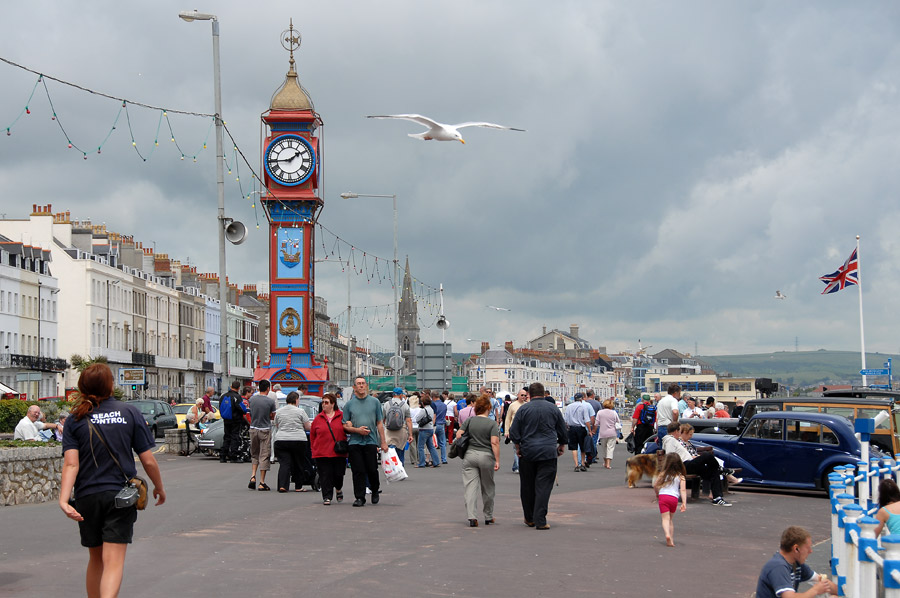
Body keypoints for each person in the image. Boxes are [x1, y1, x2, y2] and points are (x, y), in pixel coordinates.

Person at [58, 363, 165, 598]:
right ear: (110, 385)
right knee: (113, 561)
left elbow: (71, 464)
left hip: (87, 496)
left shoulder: (75, 419)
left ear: (82, 387)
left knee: (96, 559)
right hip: (119, 496)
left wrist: (64, 500)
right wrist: (159, 487)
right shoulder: (129, 412)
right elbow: (147, 460)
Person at [508, 382, 568, 530]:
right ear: (543, 393)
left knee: (527, 485)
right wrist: (561, 445)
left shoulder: (523, 409)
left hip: (528, 451)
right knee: (544, 486)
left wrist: (518, 448)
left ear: (529, 394)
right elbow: (562, 429)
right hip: (548, 451)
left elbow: (514, 432)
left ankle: (529, 518)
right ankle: (540, 519)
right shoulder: (553, 409)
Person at [342, 376, 388, 507]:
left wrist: (383, 442)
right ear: (354, 387)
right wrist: (356, 430)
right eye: (358, 384)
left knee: (372, 469)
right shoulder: (349, 405)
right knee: (357, 470)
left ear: (366, 386)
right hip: (355, 442)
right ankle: (360, 497)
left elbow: (379, 423)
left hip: (370, 441)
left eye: (363, 383)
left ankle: (374, 490)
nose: (361, 386)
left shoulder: (375, 402)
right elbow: (345, 425)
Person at [661, 422, 731, 506]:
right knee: (706, 455)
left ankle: (717, 498)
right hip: (684, 465)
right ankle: (721, 469)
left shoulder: (674, 440)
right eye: (679, 430)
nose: (680, 433)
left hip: (689, 464)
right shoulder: (670, 440)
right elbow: (670, 455)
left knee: (713, 471)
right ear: (676, 431)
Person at [756, 526, 837, 598]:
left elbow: (820, 580)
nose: (810, 551)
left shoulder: (796, 563)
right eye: (808, 548)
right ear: (796, 549)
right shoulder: (778, 567)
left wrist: (843, 592)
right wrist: (815, 590)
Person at [457, 395, 501, 527]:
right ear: (488, 408)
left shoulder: (470, 421)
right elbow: (494, 442)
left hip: (470, 455)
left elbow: (459, 434)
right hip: (486, 456)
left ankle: (472, 517)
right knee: (488, 487)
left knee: (470, 487)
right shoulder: (492, 423)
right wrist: (497, 460)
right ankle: (488, 516)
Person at [310, 393, 347, 505]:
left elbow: (348, 428)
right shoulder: (318, 418)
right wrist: (314, 449)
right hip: (322, 452)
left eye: (326, 402)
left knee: (338, 475)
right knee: (325, 475)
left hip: (338, 452)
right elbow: (312, 435)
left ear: (333, 404)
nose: (324, 405)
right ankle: (327, 496)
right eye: (323, 402)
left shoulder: (341, 416)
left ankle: (338, 489)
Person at [273, 391, 312, 493]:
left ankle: (282, 485)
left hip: (281, 440)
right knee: (298, 463)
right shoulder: (300, 411)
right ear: (296, 400)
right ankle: (298, 486)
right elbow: (307, 426)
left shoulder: (279, 412)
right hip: (298, 440)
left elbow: (277, 425)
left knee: (284, 463)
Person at [248, 379, 276, 491]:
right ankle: (262, 482)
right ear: (268, 388)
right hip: (265, 429)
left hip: (253, 428)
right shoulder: (270, 402)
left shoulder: (252, 399)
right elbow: (273, 416)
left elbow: (249, 413)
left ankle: (253, 475)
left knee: (254, 453)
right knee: (264, 454)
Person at [653, 453, 687, 547]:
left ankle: (667, 534)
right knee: (670, 519)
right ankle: (671, 539)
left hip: (663, 497)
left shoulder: (663, 474)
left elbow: (655, 485)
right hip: (674, 498)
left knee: (665, 519)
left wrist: (657, 494)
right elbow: (683, 490)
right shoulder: (681, 476)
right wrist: (684, 502)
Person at [382, 388, 413, 466]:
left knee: (390, 452)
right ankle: (400, 471)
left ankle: (391, 470)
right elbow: (409, 421)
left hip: (389, 431)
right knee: (400, 452)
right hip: (401, 430)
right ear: (401, 395)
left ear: (393, 394)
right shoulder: (405, 405)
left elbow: (382, 418)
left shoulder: (386, 404)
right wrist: (410, 434)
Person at [220, 380, 248, 463]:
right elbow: (242, 408)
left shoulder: (223, 396)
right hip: (235, 420)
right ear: (239, 388)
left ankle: (223, 456)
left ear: (231, 386)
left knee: (226, 437)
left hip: (226, 419)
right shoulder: (237, 397)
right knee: (234, 437)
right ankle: (233, 456)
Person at [563, 393, 592, 471]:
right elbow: (587, 420)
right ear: (581, 399)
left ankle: (576, 465)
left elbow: (565, 419)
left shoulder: (569, 407)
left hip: (571, 428)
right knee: (583, 447)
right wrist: (589, 430)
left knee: (574, 447)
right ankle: (582, 464)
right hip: (581, 428)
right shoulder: (583, 406)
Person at [504, 388, 529, 473]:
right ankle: (518, 466)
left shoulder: (527, 405)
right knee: (516, 448)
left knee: (523, 448)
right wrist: (506, 431)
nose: (523, 397)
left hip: (525, 430)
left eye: (525, 395)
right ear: (518, 395)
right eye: (522, 395)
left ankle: (516, 465)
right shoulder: (513, 405)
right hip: (514, 429)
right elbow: (508, 418)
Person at [416, 395, 440, 468]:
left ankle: (422, 463)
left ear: (423, 403)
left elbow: (417, 419)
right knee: (431, 446)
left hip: (424, 429)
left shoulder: (423, 410)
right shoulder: (431, 409)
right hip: (430, 429)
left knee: (420, 447)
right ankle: (436, 462)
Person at [595, 399, 619, 469]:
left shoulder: (600, 412)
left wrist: (594, 430)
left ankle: (605, 462)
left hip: (603, 433)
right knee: (610, 448)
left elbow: (596, 423)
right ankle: (608, 464)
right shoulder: (614, 413)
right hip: (612, 432)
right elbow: (618, 421)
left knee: (604, 448)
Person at [431, 390, 448, 464]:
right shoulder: (444, 405)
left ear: (433, 397)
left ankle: (433, 459)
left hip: (434, 424)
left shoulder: (432, 405)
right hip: (441, 424)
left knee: (432, 443)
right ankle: (444, 459)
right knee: (442, 443)